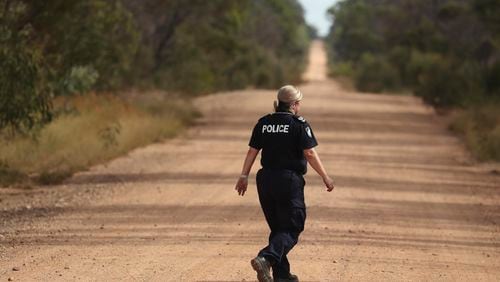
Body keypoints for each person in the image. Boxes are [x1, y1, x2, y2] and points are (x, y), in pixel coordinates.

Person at [235, 85, 334, 282]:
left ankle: (282, 275)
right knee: (292, 226)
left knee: (279, 228)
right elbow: (309, 153)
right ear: (294, 104)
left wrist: (244, 176)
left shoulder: (264, 123)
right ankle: (265, 258)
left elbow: (252, 151)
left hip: (265, 180)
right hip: (288, 181)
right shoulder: (299, 124)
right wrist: (325, 176)